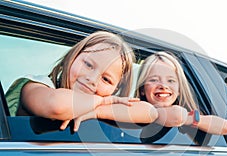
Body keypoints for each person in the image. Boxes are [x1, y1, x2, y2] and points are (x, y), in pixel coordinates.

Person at [5, 31, 158, 131]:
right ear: (73, 56)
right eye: (88, 64)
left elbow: (149, 112)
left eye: (106, 79)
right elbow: (56, 105)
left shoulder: (99, 104)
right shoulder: (36, 86)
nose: (92, 79)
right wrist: (102, 102)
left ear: (115, 89)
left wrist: (96, 112)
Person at [134, 51, 227, 142]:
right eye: (154, 80)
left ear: (179, 90)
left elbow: (226, 127)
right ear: (142, 89)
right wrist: (160, 114)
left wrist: (187, 119)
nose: (163, 85)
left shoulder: (185, 115)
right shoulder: (133, 111)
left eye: (171, 81)